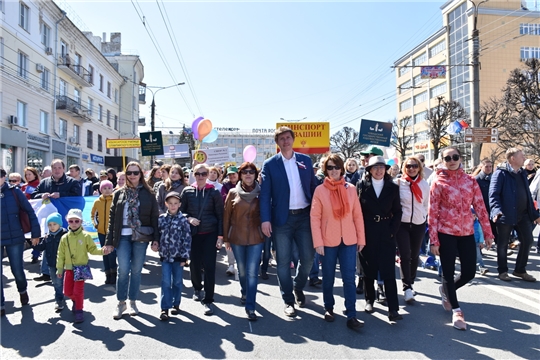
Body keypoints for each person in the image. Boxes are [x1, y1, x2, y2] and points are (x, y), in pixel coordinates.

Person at [429, 146, 494, 331]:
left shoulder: (470, 181)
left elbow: (481, 208)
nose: (451, 160)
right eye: (447, 158)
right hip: (446, 232)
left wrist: (488, 233)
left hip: (466, 232)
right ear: (442, 161)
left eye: (455, 156)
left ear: (460, 158)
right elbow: (432, 213)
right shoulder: (438, 182)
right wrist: (434, 240)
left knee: (469, 273)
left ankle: (446, 291)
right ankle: (457, 310)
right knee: (448, 273)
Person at [260, 126, 318, 317]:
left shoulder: (305, 160)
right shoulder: (270, 164)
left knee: (309, 258)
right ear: (277, 143)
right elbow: (265, 194)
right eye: (281, 139)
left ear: (293, 139)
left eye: (288, 138)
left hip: (304, 217)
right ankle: (288, 300)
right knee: (283, 262)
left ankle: (298, 286)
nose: (285, 141)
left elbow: (314, 187)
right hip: (281, 220)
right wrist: (265, 220)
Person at [311, 154, 366, 330]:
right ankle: (329, 307)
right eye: (330, 167)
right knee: (328, 277)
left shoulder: (350, 189)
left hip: (349, 239)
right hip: (328, 240)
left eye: (336, 167)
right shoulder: (320, 190)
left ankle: (351, 314)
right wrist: (318, 242)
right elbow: (315, 218)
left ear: (342, 168)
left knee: (349, 278)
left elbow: (357, 215)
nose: (333, 171)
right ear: (325, 170)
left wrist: (361, 238)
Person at [104, 161, 160, 319]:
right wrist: (109, 241)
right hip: (122, 236)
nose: (133, 176)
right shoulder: (118, 193)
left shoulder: (149, 193)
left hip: (140, 236)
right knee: (123, 270)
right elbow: (112, 218)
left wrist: (156, 239)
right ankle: (121, 302)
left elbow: (154, 217)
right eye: (129, 173)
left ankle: (133, 301)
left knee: (136, 270)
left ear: (141, 174)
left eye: (136, 173)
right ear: (125, 175)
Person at [357, 156, 403, 322]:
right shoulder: (362, 186)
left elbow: (398, 211)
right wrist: (359, 232)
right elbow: (357, 211)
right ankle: (369, 300)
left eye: (381, 167)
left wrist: (392, 230)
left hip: (386, 230)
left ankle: (393, 308)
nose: (378, 170)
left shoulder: (392, 187)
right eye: (375, 167)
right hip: (367, 229)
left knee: (388, 269)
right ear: (369, 169)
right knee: (368, 267)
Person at [489, 148, 540, 282]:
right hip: (505, 215)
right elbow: (493, 195)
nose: (524, 158)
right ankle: (502, 271)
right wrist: (496, 211)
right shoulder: (500, 173)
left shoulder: (522, 173)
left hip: (523, 215)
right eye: (521, 156)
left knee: (528, 240)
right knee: (503, 244)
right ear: (513, 158)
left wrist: (534, 214)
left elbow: (528, 195)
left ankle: (520, 270)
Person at [180, 163, 224, 316]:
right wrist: (189, 218)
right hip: (193, 234)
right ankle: (197, 288)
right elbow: (180, 212)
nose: (200, 177)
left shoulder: (214, 193)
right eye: (198, 174)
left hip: (210, 233)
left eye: (203, 174)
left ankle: (209, 299)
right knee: (195, 265)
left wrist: (220, 237)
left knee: (210, 267)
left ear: (208, 175)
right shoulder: (187, 191)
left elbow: (220, 215)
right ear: (193, 174)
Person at [223, 162, 265, 321]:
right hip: (237, 237)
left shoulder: (261, 193)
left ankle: (250, 306)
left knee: (252, 272)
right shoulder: (233, 193)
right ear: (240, 175)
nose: (248, 174)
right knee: (241, 270)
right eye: (245, 172)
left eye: (251, 172)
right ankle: (244, 291)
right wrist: (226, 237)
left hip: (256, 237)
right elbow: (227, 216)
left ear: (255, 175)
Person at [1, 168, 41, 316]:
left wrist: (35, 233)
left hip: (15, 238)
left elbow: (30, 211)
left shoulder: (15, 192)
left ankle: (22, 291)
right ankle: (0, 305)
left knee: (17, 269)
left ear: (4, 177)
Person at [56, 208, 106, 323]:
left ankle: (79, 310)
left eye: (76, 221)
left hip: (81, 268)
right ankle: (75, 301)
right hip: (68, 269)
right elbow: (60, 254)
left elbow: (92, 250)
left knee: (78, 291)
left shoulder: (85, 236)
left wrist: (102, 251)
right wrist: (59, 269)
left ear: (81, 222)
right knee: (67, 292)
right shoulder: (64, 238)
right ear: (67, 222)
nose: (74, 224)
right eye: (71, 221)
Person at [152, 191, 192, 321]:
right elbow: (157, 234)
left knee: (177, 281)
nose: (173, 206)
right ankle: (165, 308)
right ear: (166, 204)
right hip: (165, 257)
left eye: (175, 203)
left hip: (178, 257)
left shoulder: (183, 220)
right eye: (170, 203)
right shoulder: (162, 219)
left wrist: (185, 257)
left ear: (179, 204)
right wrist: (155, 244)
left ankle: (176, 303)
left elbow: (187, 239)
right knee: (165, 282)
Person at [395, 156, 429, 303]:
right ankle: (406, 287)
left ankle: (411, 282)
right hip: (402, 224)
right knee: (405, 254)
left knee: (415, 255)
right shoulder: (398, 183)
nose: (412, 169)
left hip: (418, 223)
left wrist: (423, 216)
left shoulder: (424, 184)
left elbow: (426, 203)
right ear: (404, 168)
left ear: (419, 167)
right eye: (408, 166)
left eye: (414, 166)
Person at [31, 213, 68, 311]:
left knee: (60, 282)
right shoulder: (47, 237)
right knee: (55, 282)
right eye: (50, 225)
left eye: (54, 224)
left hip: (62, 264)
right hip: (51, 264)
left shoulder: (65, 235)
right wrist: (33, 243)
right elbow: (41, 247)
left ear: (59, 224)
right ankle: (59, 295)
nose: (52, 227)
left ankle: (59, 299)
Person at [91, 180, 117, 284]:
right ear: (101, 190)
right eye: (104, 188)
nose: (107, 191)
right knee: (104, 253)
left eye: (109, 188)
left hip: (112, 232)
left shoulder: (115, 200)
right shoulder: (97, 202)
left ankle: (114, 274)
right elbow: (93, 215)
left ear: (112, 189)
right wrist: (96, 224)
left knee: (112, 254)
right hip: (101, 232)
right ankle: (108, 274)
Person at [221, 166, 239, 276]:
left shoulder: (244, 184)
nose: (232, 176)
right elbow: (224, 199)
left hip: (243, 218)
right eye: (230, 174)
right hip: (230, 216)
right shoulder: (226, 186)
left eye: (234, 174)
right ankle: (231, 265)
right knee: (229, 241)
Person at [475, 159, 497, 247]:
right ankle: (480, 248)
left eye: (490, 166)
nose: (488, 168)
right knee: (480, 230)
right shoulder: (477, 179)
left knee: (495, 228)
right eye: (486, 166)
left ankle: (498, 246)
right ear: (481, 167)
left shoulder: (495, 178)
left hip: (493, 208)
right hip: (481, 208)